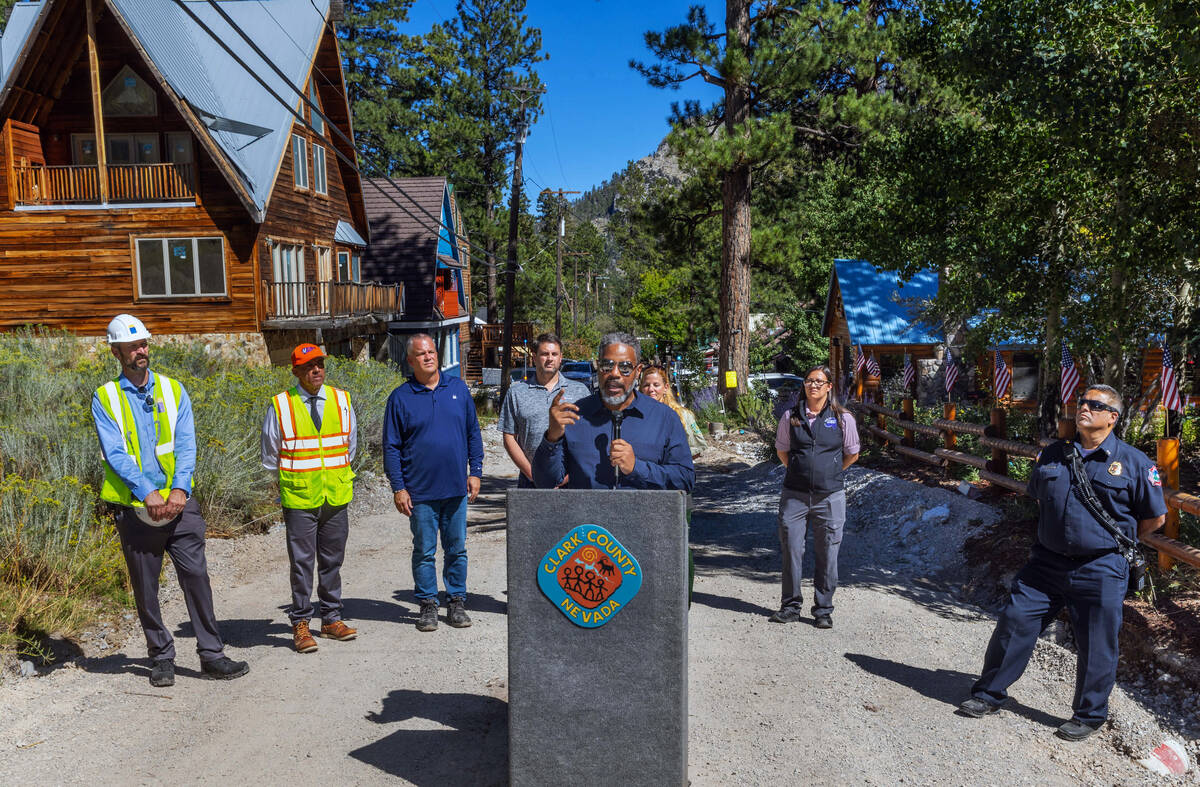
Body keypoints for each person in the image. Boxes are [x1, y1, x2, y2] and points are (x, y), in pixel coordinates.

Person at [958, 385, 1166, 742]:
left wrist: (1107, 543)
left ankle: (1089, 715)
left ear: (1112, 418)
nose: (1083, 407)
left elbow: (1154, 520)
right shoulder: (1053, 454)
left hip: (1101, 567)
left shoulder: (1134, 463)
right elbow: (1041, 500)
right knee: (1014, 621)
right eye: (1082, 401)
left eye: (1094, 405)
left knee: (1097, 642)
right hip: (1047, 564)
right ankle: (989, 694)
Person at [91, 314, 249, 687]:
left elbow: (186, 444)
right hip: (136, 507)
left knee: (196, 578)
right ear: (116, 352)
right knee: (145, 586)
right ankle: (161, 657)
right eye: (132, 347)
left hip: (180, 506)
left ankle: (212, 654)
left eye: (144, 343)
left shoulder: (173, 390)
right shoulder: (105, 397)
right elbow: (115, 453)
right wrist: (147, 493)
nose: (141, 351)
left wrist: (179, 490)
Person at [261, 343, 359, 653]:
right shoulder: (281, 405)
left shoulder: (342, 400)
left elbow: (349, 446)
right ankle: (301, 624)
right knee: (302, 564)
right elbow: (269, 456)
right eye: (308, 366)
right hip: (300, 497)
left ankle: (331, 620)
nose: (315, 370)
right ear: (295, 371)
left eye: (319, 364)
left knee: (332, 561)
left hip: (335, 494)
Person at [383, 334, 483, 632]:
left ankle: (455, 602)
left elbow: (472, 433)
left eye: (431, 351)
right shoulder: (400, 398)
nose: (428, 357)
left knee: (456, 549)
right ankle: (427, 605)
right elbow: (391, 447)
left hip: (456, 488)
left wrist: (475, 471)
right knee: (424, 550)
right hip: (420, 492)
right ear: (410, 360)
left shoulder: (458, 389)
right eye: (421, 354)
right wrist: (399, 488)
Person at [533, 332, 694, 491]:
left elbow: (685, 480)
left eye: (625, 367)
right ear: (598, 367)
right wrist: (552, 438)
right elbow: (544, 482)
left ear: (638, 371)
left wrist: (637, 468)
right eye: (607, 366)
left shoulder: (664, 418)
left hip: (644, 516)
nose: (614, 374)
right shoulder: (575, 416)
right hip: (586, 517)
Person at [769, 363, 859, 629]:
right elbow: (782, 451)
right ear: (804, 385)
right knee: (792, 550)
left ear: (829, 387)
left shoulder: (843, 418)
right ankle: (790, 607)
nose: (813, 385)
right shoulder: (790, 417)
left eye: (820, 382)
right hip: (794, 496)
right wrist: (801, 472)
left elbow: (852, 453)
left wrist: (829, 471)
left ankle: (823, 610)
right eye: (809, 381)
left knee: (828, 553)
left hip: (830, 497)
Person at [500, 332, 590, 487]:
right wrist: (534, 475)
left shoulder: (580, 391)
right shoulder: (517, 392)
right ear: (534, 357)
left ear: (561, 357)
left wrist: (571, 475)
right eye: (544, 354)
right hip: (530, 482)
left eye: (554, 354)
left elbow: (589, 436)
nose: (550, 358)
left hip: (572, 482)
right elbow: (509, 437)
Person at [640, 365, 707, 456]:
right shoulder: (636, 415)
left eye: (656, 385)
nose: (651, 389)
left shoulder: (682, 415)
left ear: (666, 387)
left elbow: (696, 450)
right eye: (646, 385)